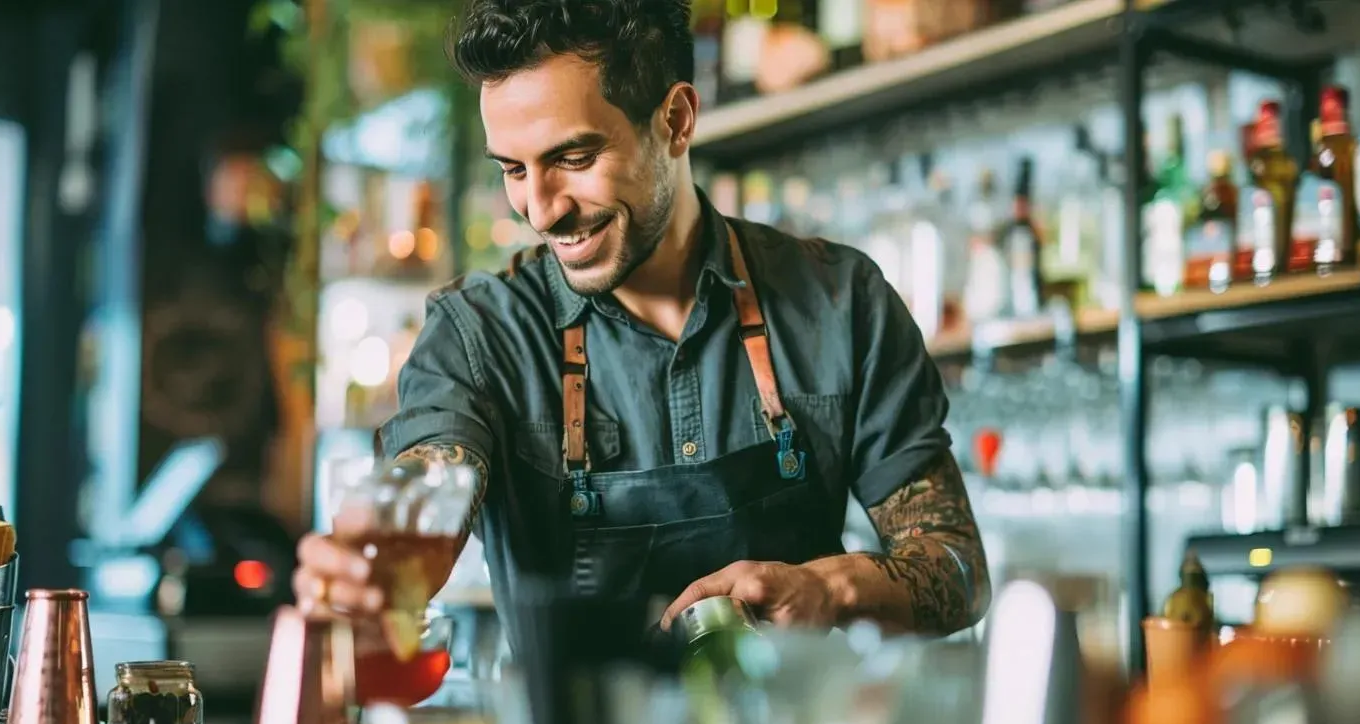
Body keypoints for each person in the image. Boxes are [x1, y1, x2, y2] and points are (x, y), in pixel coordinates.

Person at [294, 0, 991, 640]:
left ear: (677, 120)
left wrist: (828, 587)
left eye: (573, 158)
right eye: (513, 169)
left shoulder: (840, 301)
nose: (540, 210)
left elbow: (957, 571)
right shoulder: (481, 333)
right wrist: (384, 548)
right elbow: (432, 478)